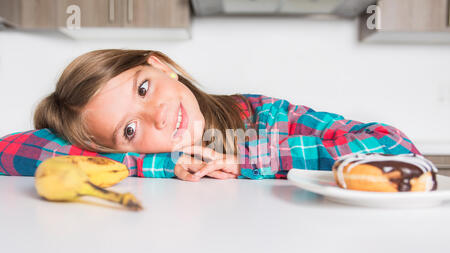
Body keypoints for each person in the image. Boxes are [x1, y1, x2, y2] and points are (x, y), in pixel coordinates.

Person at [33, 49, 420, 182]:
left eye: (143, 88)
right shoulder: (147, 159)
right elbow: (12, 151)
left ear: (163, 65)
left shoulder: (264, 117)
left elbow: (397, 148)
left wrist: (247, 160)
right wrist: (162, 165)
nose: (160, 117)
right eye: (129, 129)